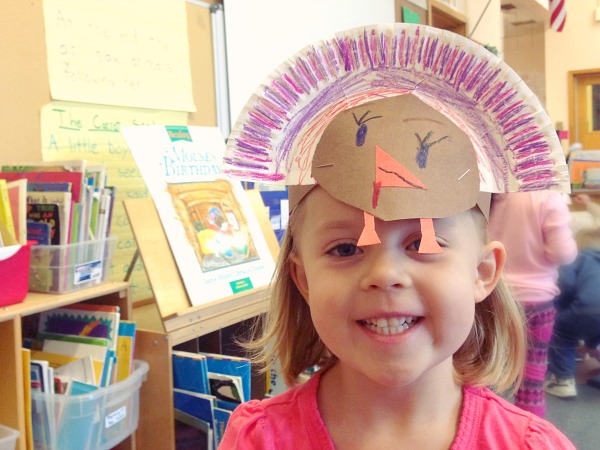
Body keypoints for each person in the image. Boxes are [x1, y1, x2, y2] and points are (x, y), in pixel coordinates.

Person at [219, 24, 574, 449]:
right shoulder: (257, 440)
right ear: (304, 280)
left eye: (421, 243)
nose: (385, 274)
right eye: (345, 248)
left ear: (482, 272)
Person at [487, 192, 578, 418]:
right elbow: (563, 254)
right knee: (532, 379)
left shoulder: (497, 195)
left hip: (497, 297)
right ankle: (529, 431)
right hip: (537, 299)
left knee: (486, 370)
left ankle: (483, 425)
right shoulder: (549, 197)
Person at [545, 194, 600, 399]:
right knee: (594, 330)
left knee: (561, 331)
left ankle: (563, 380)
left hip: (586, 309)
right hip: (595, 316)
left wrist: (556, 306)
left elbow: (565, 284)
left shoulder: (581, 258)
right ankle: (592, 348)